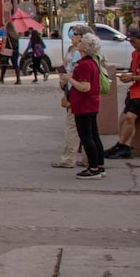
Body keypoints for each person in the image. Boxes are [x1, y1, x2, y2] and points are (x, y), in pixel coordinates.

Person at [105, 27, 140, 160]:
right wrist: (128, 76)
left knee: (131, 117)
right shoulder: (135, 54)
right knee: (124, 118)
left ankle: (121, 146)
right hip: (135, 90)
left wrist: (133, 78)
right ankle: (125, 146)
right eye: (130, 42)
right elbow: (135, 71)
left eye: (134, 42)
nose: (132, 45)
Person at [60, 33, 105, 178]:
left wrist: (69, 79)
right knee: (94, 135)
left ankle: (93, 168)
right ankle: (99, 165)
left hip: (84, 105)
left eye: (82, 42)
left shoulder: (85, 65)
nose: (78, 43)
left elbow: (85, 87)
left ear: (85, 47)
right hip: (91, 104)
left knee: (87, 137)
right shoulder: (92, 62)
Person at [51, 24, 92, 169]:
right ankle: (88, 159)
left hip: (76, 93)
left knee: (72, 127)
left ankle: (69, 158)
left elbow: (74, 73)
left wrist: (66, 79)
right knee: (85, 129)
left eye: (75, 34)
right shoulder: (73, 50)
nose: (72, 36)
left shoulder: (79, 54)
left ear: (83, 38)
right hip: (74, 91)